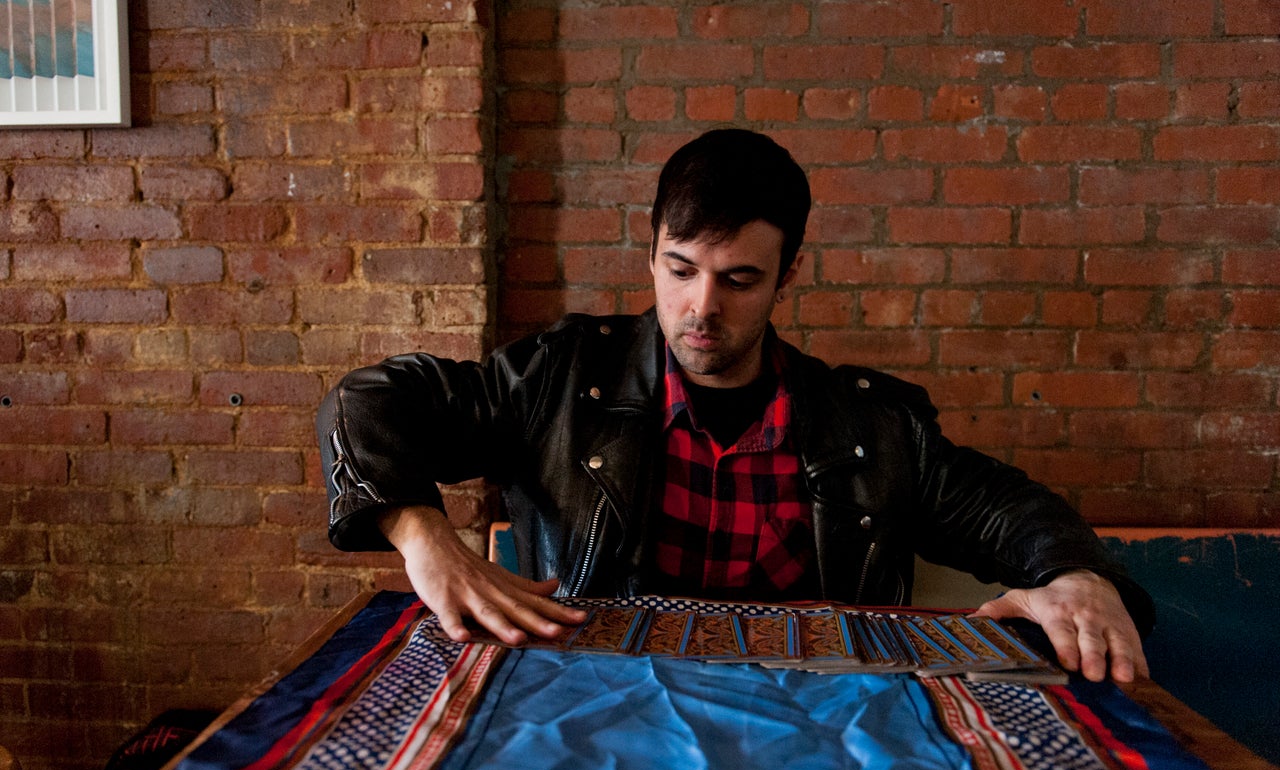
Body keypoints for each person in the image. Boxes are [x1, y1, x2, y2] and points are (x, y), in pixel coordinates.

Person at [317, 128, 1153, 683]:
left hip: (815, 724)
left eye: (739, 279)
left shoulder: (870, 428)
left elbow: (1007, 510)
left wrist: (1075, 576)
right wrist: (427, 540)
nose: (701, 308)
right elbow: (370, 401)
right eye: (680, 270)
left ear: (788, 275)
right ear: (649, 254)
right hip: (594, 706)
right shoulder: (562, 379)